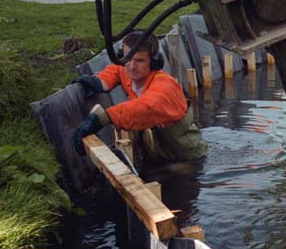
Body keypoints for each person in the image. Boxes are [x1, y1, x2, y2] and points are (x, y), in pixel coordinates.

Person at [72, 31, 207, 162]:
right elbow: (116, 70)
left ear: (154, 62)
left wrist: (102, 118)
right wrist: (99, 82)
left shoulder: (165, 86)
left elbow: (145, 107)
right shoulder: (128, 71)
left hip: (188, 158)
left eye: (140, 60)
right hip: (160, 153)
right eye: (127, 58)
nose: (131, 66)